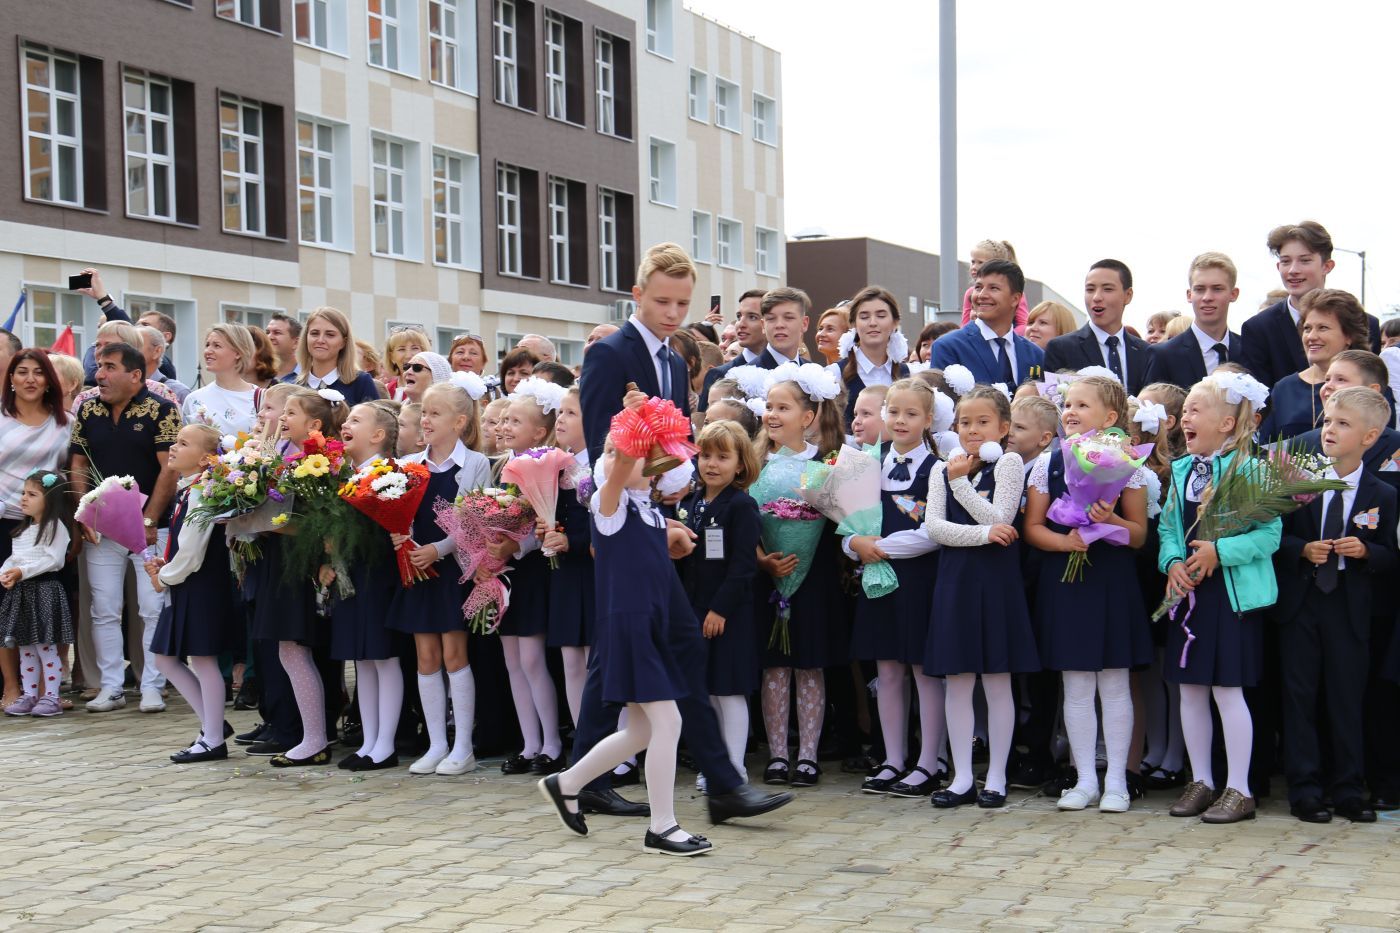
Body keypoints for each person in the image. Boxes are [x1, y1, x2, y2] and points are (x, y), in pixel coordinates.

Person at [576, 242, 791, 823]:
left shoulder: (675, 357)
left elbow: (676, 442)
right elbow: (604, 451)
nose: (673, 313)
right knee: (664, 647)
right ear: (637, 294)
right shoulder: (610, 354)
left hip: (656, 516)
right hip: (623, 520)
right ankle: (716, 784)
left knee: (638, 654)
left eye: (682, 303)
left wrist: (676, 487)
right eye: (662, 301)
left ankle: (589, 779)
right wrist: (656, 486)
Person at [539, 430, 713, 856]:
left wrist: (670, 535)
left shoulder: (648, 509)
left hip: (648, 627)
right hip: (628, 627)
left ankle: (567, 784)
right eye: (620, 455)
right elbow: (619, 469)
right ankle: (663, 827)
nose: (632, 459)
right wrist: (636, 421)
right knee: (667, 723)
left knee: (641, 729)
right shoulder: (607, 502)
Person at [1024, 376, 1152, 813]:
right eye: (1067, 404)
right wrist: (1067, 542)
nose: (1071, 412)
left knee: (1115, 682)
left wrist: (1110, 518)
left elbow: (1137, 536)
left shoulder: (1129, 464)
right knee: (1075, 684)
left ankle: (1116, 778)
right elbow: (1034, 527)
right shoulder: (1048, 463)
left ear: (1111, 417)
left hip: (1111, 581)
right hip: (1068, 580)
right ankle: (1083, 779)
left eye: (1082, 404)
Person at [1160, 371, 1279, 824]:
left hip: (1229, 597)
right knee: (1189, 690)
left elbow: (1269, 534)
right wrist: (1172, 562)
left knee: (1228, 692)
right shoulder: (1183, 469)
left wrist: (1219, 551)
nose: (1183, 419)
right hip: (1189, 591)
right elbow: (1169, 527)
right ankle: (1202, 780)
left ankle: (1240, 787)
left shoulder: (1253, 469)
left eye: (1194, 411)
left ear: (1227, 424)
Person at [1276, 387, 1396, 824]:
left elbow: (1389, 554)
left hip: (1349, 607)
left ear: (1370, 436)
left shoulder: (1382, 493)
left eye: (1342, 424)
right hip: (1303, 604)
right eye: (1327, 421)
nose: (1329, 430)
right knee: (1299, 696)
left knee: (1347, 698)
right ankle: (1304, 789)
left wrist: (1366, 554)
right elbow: (1278, 540)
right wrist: (1301, 550)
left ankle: (1347, 788)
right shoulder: (1298, 484)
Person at [922, 385, 1037, 809]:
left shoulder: (1008, 463)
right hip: (955, 582)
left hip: (996, 584)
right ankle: (962, 776)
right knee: (958, 680)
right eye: (965, 422)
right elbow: (935, 528)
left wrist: (963, 489)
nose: (972, 430)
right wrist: (983, 535)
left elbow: (1002, 518)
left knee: (997, 679)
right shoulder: (942, 469)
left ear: (1004, 427)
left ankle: (998, 776)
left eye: (983, 421)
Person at [846, 380, 947, 798]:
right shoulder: (866, 464)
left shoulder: (939, 469)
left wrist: (880, 547)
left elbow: (934, 532)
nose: (901, 420)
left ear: (927, 420)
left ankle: (929, 761)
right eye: (894, 412)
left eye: (911, 414)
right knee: (887, 670)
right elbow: (849, 524)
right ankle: (893, 758)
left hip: (921, 580)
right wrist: (855, 545)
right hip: (878, 582)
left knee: (924, 671)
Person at [70, 342, 182, 713]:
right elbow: (78, 464)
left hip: (154, 528)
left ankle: (152, 685)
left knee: (152, 607)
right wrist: (83, 513)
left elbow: (170, 468)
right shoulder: (87, 409)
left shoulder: (163, 410)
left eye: (110, 366)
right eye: (99, 366)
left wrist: (149, 517)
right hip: (101, 530)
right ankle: (111, 687)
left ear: (136, 375)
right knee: (103, 608)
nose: (99, 374)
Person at [752, 365, 847, 788]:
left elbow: (846, 517)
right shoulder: (753, 463)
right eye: (769, 407)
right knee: (774, 667)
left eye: (783, 408)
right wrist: (762, 559)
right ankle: (776, 754)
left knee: (809, 665)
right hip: (766, 574)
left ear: (807, 417)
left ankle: (807, 754)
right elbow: (738, 521)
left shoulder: (828, 462)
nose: (772, 415)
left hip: (814, 574)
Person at [391, 383, 490, 776]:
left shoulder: (476, 463)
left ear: (460, 422)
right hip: (417, 567)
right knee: (426, 656)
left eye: (435, 413)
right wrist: (400, 537)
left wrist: (438, 550)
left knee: (454, 654)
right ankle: (436, 744)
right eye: (424, 412)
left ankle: (462, 746)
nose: (426, 420)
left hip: (452, 569)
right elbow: (397, 511)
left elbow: (469, 518)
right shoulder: (408, 464)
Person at [143, 424, 239, 761]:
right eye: (175, 441)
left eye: (183, 443)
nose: (173, 447)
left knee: (202, 659)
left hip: (201, 586)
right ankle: (213, 723)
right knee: (166, 658)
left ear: (205, 458)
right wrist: (166, 565)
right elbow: (183, 549)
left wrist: (165, 577)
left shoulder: (202, 493)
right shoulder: (190, 489)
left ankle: (213, 738)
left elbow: (192, 554)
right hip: (189, 584)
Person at [678, 421, 763, 783]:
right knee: (707, 690)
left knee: (729, 690)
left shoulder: (741, 505)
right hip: (695, 608)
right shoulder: (692, 502)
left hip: (729, 613)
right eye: (706, 456)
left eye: (722, 457)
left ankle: (735, 767)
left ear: (740, 464)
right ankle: (715, 765)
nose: (711, 464)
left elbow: (743, 566)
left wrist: (720, 609)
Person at [494, 378, 566, 776]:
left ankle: (552, 744)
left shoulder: (546, 465)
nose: (504, 426)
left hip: (534, 571)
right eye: (502, 419)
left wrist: (514, 546)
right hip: (506, 575)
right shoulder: (500, 464)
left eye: (515, 421)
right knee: (512, 661)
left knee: (533, 659)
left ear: (540, 431)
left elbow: (543, 523)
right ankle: (529, 742)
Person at [331, 401, 407, 771]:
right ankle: (370, 741)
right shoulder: (347, 473)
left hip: (379, 575)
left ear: (378, 436)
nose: (346, 424)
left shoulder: (387, 474)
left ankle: (385, 744)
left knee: (383, 656)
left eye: (355, 421)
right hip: (355, 576)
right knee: (363, 659)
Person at [0, 350, 71, 705]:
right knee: (6, 607)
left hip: (46, 527)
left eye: (38, 373)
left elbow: (72, 476)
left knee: (46, 608)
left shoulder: (65, 423)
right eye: (22, 372)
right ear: (10, 379)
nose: (30, 379)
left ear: (49, 381)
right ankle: (12, 687)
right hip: (3, 522)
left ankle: (48, 691)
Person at [1242, 221, 1381, 389]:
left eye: (1305, 260)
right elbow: (1259, 402)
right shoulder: (1258, 328)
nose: (1293, 270)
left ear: (1327, 266)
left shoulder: (1366, 324)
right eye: (1286, 261)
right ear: (1278, 267)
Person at [541, 385, 594, 726]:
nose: (560, 419)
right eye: (560, 412)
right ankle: (584, 742)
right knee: (570, 660)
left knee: (595, 660)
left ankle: (618, 752)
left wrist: (570, 540)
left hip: (592, 572)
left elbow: (608, 521)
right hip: (564, 575)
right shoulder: (552, 465)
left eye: (571, 413)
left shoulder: (602, 467)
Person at [0, 469, 72, 719]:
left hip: (44, 592)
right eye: (23, 493)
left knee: (45, 646)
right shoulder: (23, 530)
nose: (23, 498)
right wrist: (7, 571)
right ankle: (29, 694)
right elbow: (14, 558)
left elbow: (53, 561)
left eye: (31, 494)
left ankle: (51, 696)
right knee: (26, 647)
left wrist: (22, 571)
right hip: (23, 593)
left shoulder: (55, 528)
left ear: (50, 500)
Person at [1262, 289, 1371, 442]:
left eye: (1323, 328)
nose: (1311, 337)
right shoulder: (1284, 388)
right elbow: (1265, 448)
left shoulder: (1366, 383)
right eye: (1307, 328)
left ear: (1349, 335)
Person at [929, 260, 1045, 386]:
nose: (982, 295)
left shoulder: (1036, 356)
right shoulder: (949, 347)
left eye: (993, 288)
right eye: (978, 287)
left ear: (1015, 299)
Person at [1043, 260, 1150, 394]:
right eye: (1090, 289)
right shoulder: (1062, 348)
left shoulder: (1146, 352)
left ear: (1127, 295)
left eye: (1107, 289)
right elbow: (1055, 404)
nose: (1097, 297)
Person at [1144, 252, 1244, 392]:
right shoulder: (1164, 355)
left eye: (1217, 289)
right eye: (1199, 289)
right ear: (1189, 295)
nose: (1207, 297)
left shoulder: (1249, 349)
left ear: (1234, 294)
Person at [72, 269, 177, 382]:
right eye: (137, 325)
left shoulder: (165, 371)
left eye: (145, 325)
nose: (137, 329)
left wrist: (104, 299)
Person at [828, 286, 910, 426]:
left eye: (881, 316)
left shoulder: (909, 373)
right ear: (853, 324)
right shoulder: (833, 374)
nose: (873, 323)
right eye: (864, 317)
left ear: (895, 322)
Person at [72, 321, 180, 409]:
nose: (101, 351)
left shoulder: (161, 393)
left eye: (109, 345)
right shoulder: (84, 399)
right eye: (97, 345)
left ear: (132, 350)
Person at [182, 323, 260, 436]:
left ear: (238, 353)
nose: (208, 351)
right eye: (207, 345)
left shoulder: (259, 398)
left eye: (216, 346)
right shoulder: (194, 399)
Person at [700, 289, 771, 412]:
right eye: (739, 316)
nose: (741, 324)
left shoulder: (787, 369)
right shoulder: (720, 374)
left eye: (752, 317)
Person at [297, 307, 381, 405]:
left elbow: (375, 419)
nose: (320, 340)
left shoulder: (361, 382)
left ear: (344, 342)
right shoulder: (296, 386)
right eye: (314, 333)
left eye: (330, 335)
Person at [960, 239, 1028, 332]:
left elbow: (1023, 324)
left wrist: (1005, 338)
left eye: (980, 262)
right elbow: (965, 325)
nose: (974, 267)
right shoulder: (970, 293)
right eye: (973, 262)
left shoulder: (1013, 292)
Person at [138, 326, 191, 404]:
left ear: (157, 351)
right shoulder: (123, 388)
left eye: (137, 344)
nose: (128, 349)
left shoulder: (179, 391)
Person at [382, 327, 430, 400]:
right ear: (391, 357)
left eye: (415, 348)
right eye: (401, 349)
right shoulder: (385, 392)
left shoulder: (431, 390)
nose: (408, 355)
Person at [266, 312, 302, 382]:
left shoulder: (309, 378)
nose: (269, 337)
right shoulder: (257, 374)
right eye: (267, 332)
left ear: (296, 342)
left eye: (277, 332)